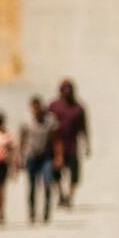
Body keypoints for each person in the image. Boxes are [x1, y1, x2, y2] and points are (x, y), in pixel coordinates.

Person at [47, 78, 90, 208]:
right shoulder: (53, 106)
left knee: (74, 174)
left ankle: (70, 197)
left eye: (69, 90)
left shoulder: (78, 108)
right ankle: (60, 194)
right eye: (64, 90)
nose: (67, 93)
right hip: (56, 146)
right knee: (55, 173)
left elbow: (84, 127)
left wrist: (87, 144)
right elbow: (46, 125)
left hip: (72, 146)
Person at [19, 95, 57, 224]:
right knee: (32, 186)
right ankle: (32, 213)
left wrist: (58, 156)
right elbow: (22, 139)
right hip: (31, 157)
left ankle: (46, 211)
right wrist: (20, 156)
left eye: (38, 107)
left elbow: (55, 139)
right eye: (34, 108)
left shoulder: (49, 120)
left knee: (47, 183)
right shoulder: (26, 121)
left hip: (46, 157)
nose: (36, 110)